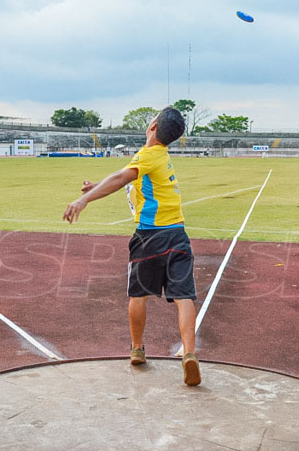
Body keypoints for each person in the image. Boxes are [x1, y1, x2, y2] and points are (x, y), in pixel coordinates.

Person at [62, 107, 200, 386]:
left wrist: (83, 200)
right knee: (184, 296)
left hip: (150, 237)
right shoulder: (160, 156)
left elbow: (122, 178)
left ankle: (137, 349)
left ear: (152, 125)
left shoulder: (148, 155)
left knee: (139, 295)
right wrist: (96, 186)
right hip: (178, 234)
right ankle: (189, 354)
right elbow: (126, 176)